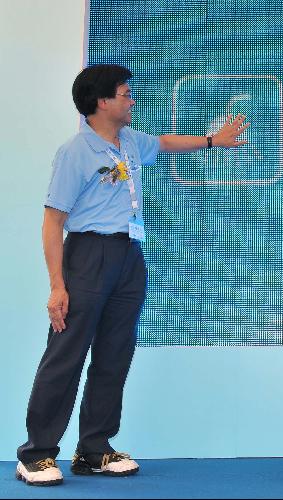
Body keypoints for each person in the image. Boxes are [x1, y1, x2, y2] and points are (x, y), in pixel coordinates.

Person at [15, 64, 249, 487]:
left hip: (128, 255)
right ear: (102, 102)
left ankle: (94, 449)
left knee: (115, 354)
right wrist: (57, 286)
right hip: (87, 254)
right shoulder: (75, 153)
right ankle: (37, 454)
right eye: (125, 94)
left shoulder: (128, 142)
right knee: (66, 354)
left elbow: (164, 143)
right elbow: (52, 223)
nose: (132, 100)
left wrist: (214, 141)